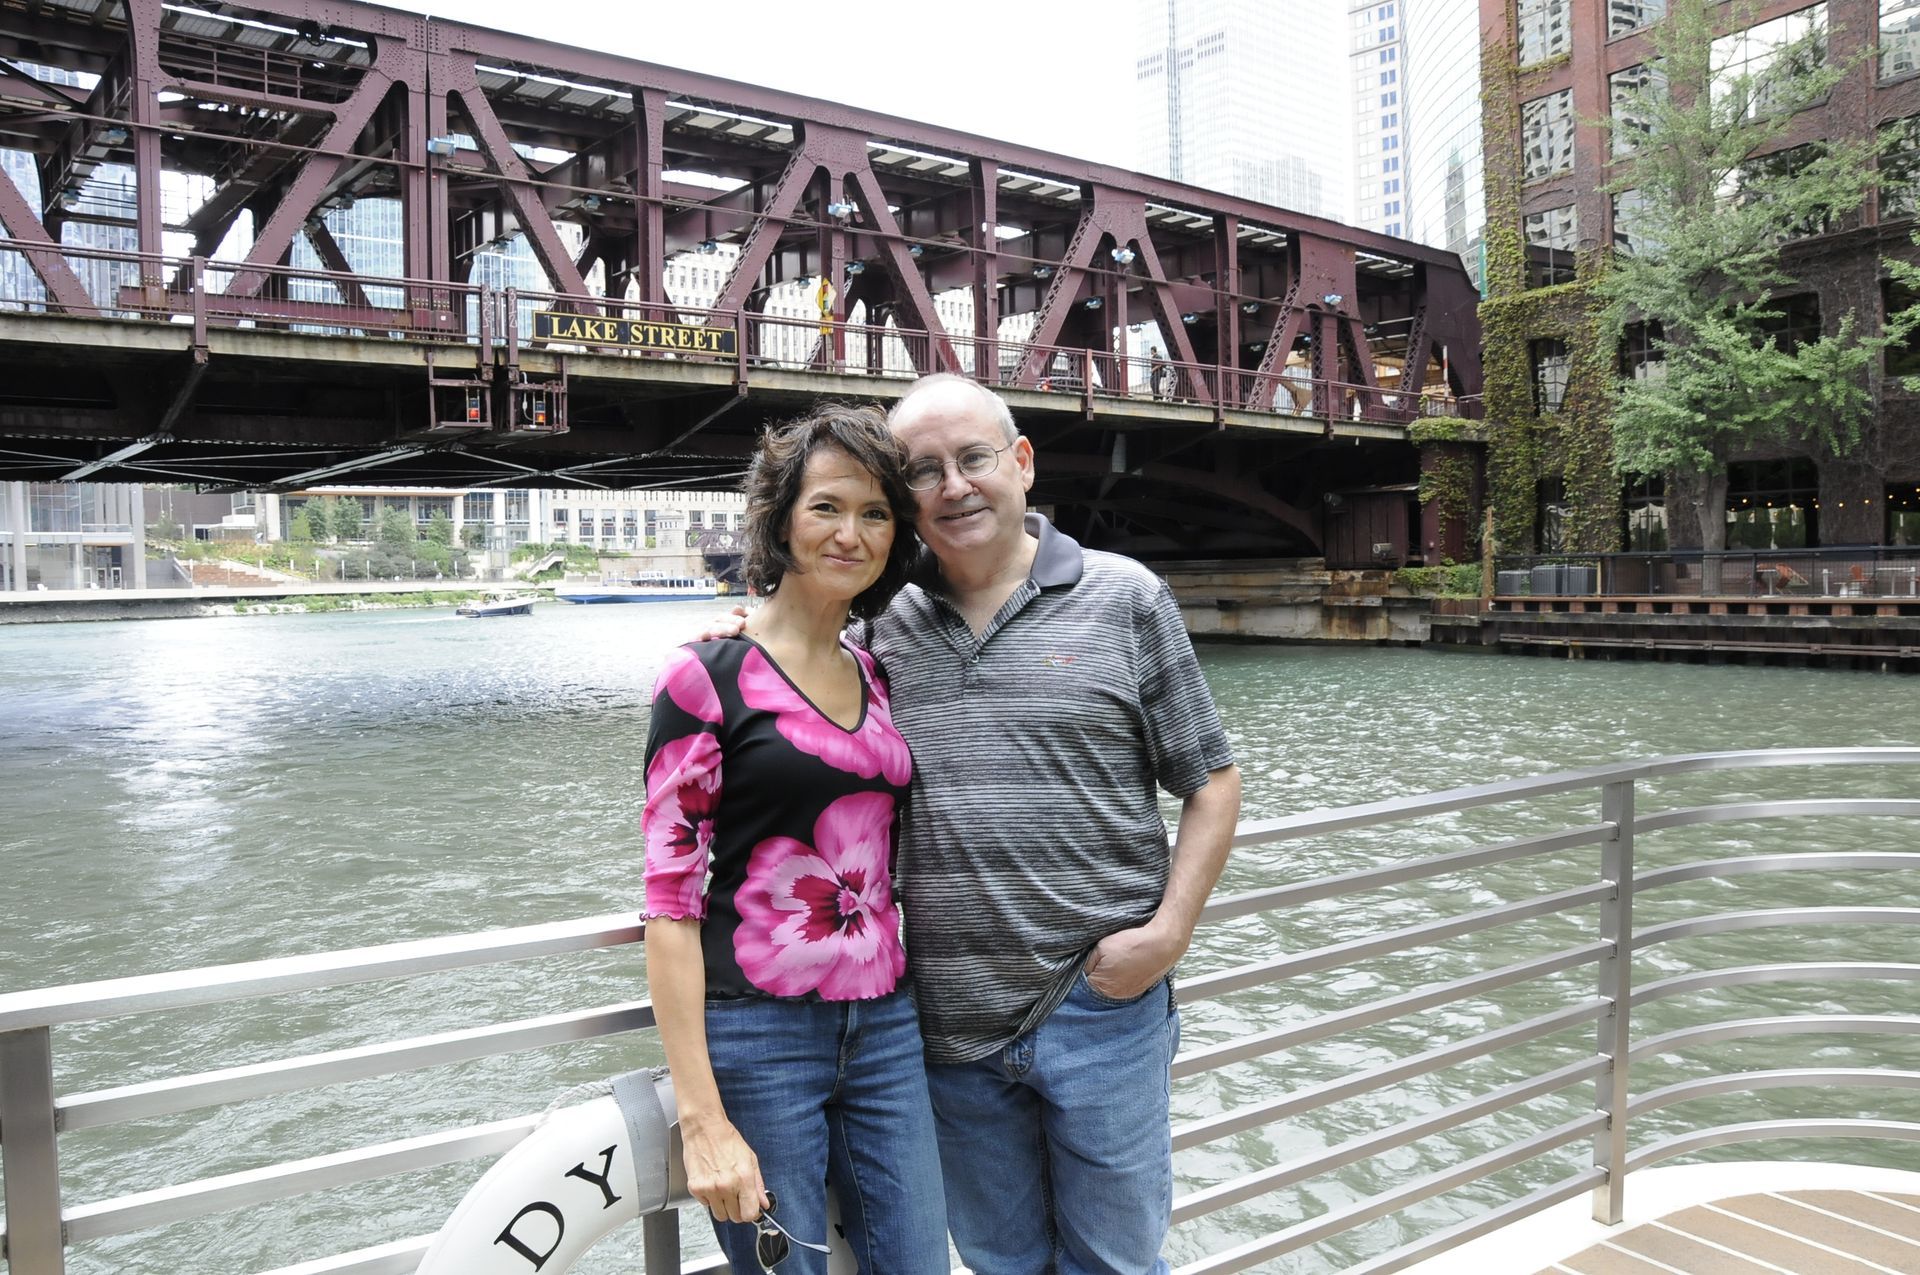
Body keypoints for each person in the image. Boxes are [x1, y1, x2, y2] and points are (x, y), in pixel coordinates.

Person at [710, 374, 1242, 1273]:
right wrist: (742, 641)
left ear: (1022, 464)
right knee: (999, 1261)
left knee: (1115, 1261)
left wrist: (1169, 933)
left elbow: (1212, 781)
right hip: (946, 1026)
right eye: (923, 470)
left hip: (1100, 1004)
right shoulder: (877, 627)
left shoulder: (1128, 598)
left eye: (974, 458)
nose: (954, 485)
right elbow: (794, 673)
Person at [642, 403, 948, 1273]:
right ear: (780, 518)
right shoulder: (704, 677)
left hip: (886, 1025)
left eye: (876, 513)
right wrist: (703, 1121)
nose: (850, 532)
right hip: (759, 1034)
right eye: (826, 507)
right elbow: (670, 906)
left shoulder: (877, 671)